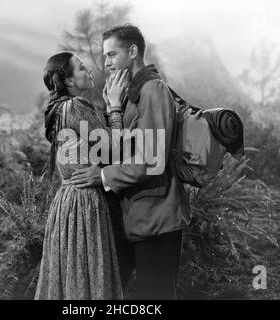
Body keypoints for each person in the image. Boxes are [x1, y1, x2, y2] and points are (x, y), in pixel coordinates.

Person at [71, 25, 192, 300]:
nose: (106, 62)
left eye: (112, 54)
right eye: (105, 56)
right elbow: (120, 151)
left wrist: (102, 177)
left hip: (158, 218)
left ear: (133, 51)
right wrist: (113, 106)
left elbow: (152, 158)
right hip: (134, 218)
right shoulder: (127, 94)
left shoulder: (154, 90)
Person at [35, 52, 128, 300]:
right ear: (68, 81)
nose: (88, 71)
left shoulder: (57, 111)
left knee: (69, 280)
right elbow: (114, 151)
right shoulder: (75, 106)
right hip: (85, 202)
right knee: (90, 280)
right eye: (82, 68)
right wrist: (116, 106)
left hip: (65, 203)